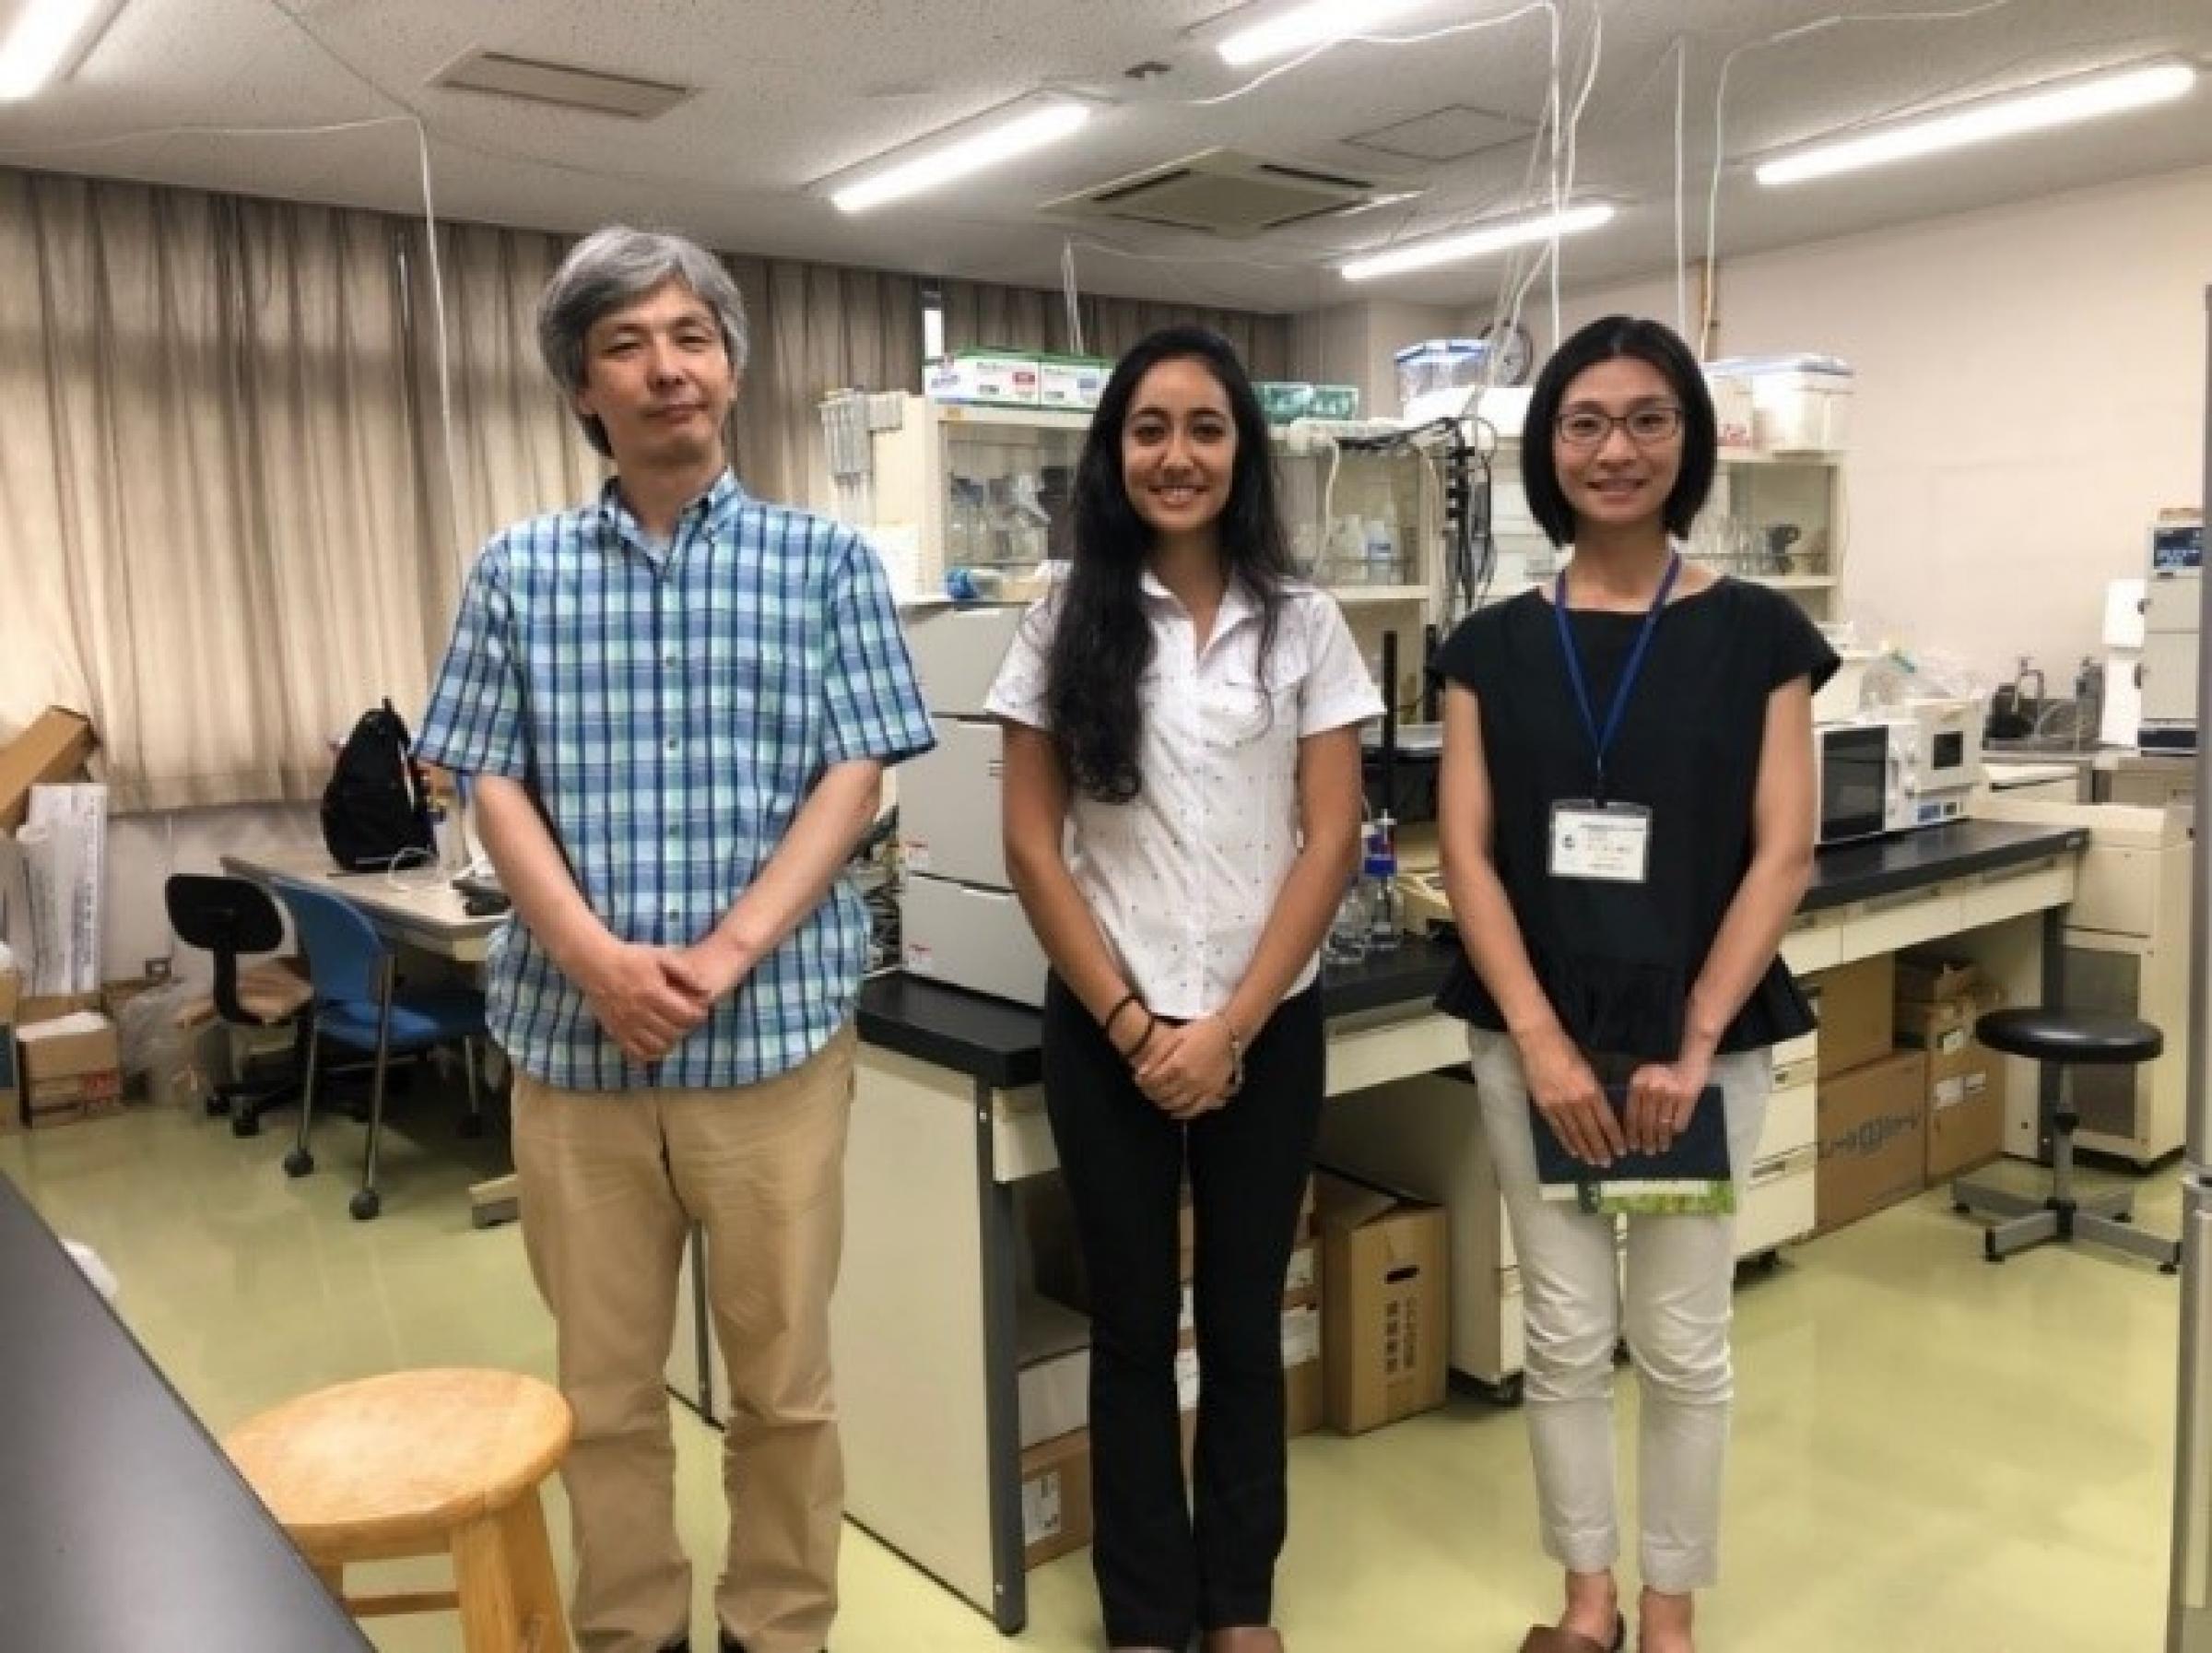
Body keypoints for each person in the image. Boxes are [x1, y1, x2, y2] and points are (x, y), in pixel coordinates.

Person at [415, 224, 934, 1653]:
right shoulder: (518, 570)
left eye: (690, 338)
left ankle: (779, 1626)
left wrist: (730, 950)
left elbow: (859, 768)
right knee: (605, 1391)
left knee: (785, 1386)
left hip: (770, 1045)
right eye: (627, 345)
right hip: (573, 1059)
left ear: (733, 366)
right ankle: (630, 1629)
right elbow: (484, 772)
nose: (666, 370)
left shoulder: (823, 560)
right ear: (582, 386)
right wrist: (588, 952)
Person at [1431, 315, 1836, 1653]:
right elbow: (1470, 854)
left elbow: (1785, 849)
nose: (1617, 448)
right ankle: (1587, 1601)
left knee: (1680, 1339)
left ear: (1688, 439)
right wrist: (1543, 1041)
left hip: (1693, 1043)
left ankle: (1670, 1610)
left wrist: (1694, 1035)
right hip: (1537, 1040)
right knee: (1560, 1330)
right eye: (1586, 421)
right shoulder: (1489, 647)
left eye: (1647, 418)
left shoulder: (1760, 633)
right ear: (1549, 448)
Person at [987, 325, 1381, 1653]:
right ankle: (1146, 1610)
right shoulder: (1063, 619)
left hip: (1263, 1029)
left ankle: (1240, 1603)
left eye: (1205, 428)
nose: (1177, 454)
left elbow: (1330, 837)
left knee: (1247, 1324)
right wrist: (1137, 1024)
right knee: (1135, 1327)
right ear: (1114, 454)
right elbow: (1031, 844)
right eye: (1149, 429)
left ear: (1241, 453)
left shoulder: (1306, 624)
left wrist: (1230, 1027)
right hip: (1112, 1029)